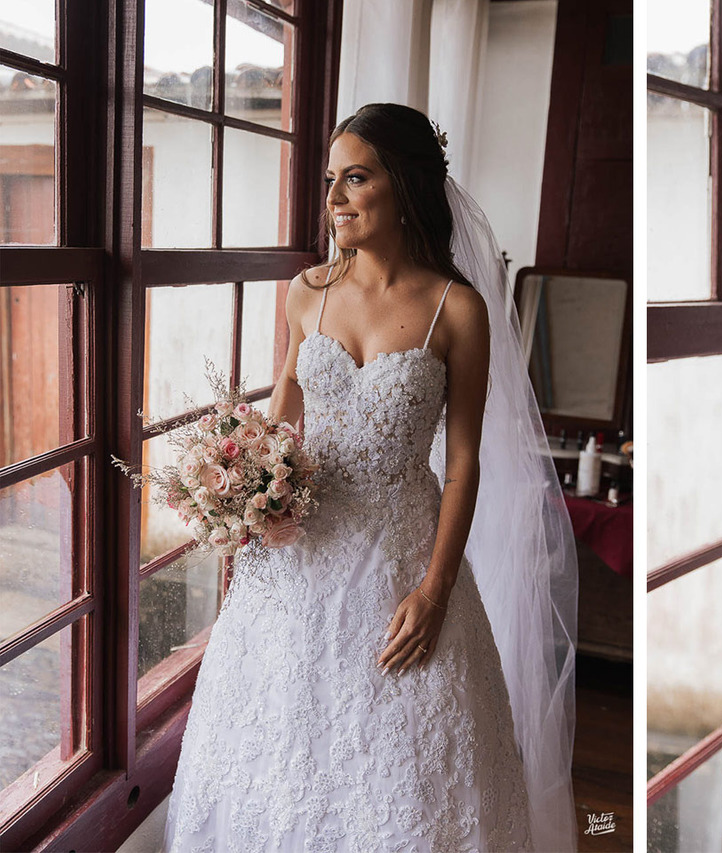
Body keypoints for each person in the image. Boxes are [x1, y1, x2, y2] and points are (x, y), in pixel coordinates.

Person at [164, 103, 578, 852]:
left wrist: (435, 588)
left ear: (407, 186)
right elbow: (279, 424)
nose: (334, 200)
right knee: (277, 755)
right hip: (293, 562)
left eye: (355, 178)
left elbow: (462, 466)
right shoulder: (305, 291)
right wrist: (239, 496)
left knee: (405, 774)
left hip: (401, 558)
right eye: (330, 181)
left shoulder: (457, 310)